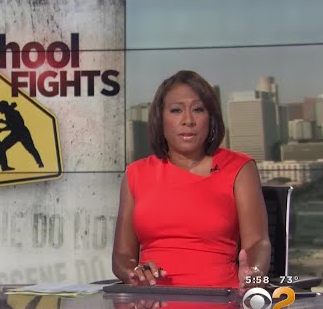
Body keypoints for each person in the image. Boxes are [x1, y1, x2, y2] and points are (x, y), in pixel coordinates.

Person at [112, 70, 271, 289]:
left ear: (211, 118)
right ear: (160, 119)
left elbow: (257, 242)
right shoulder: (136, 174)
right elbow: (122, 255)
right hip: (151, 302)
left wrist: (254, 272)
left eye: (198, 110)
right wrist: (134, 272)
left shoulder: (239, 168)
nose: (188, 121)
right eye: (176, 110)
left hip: (220, 301)